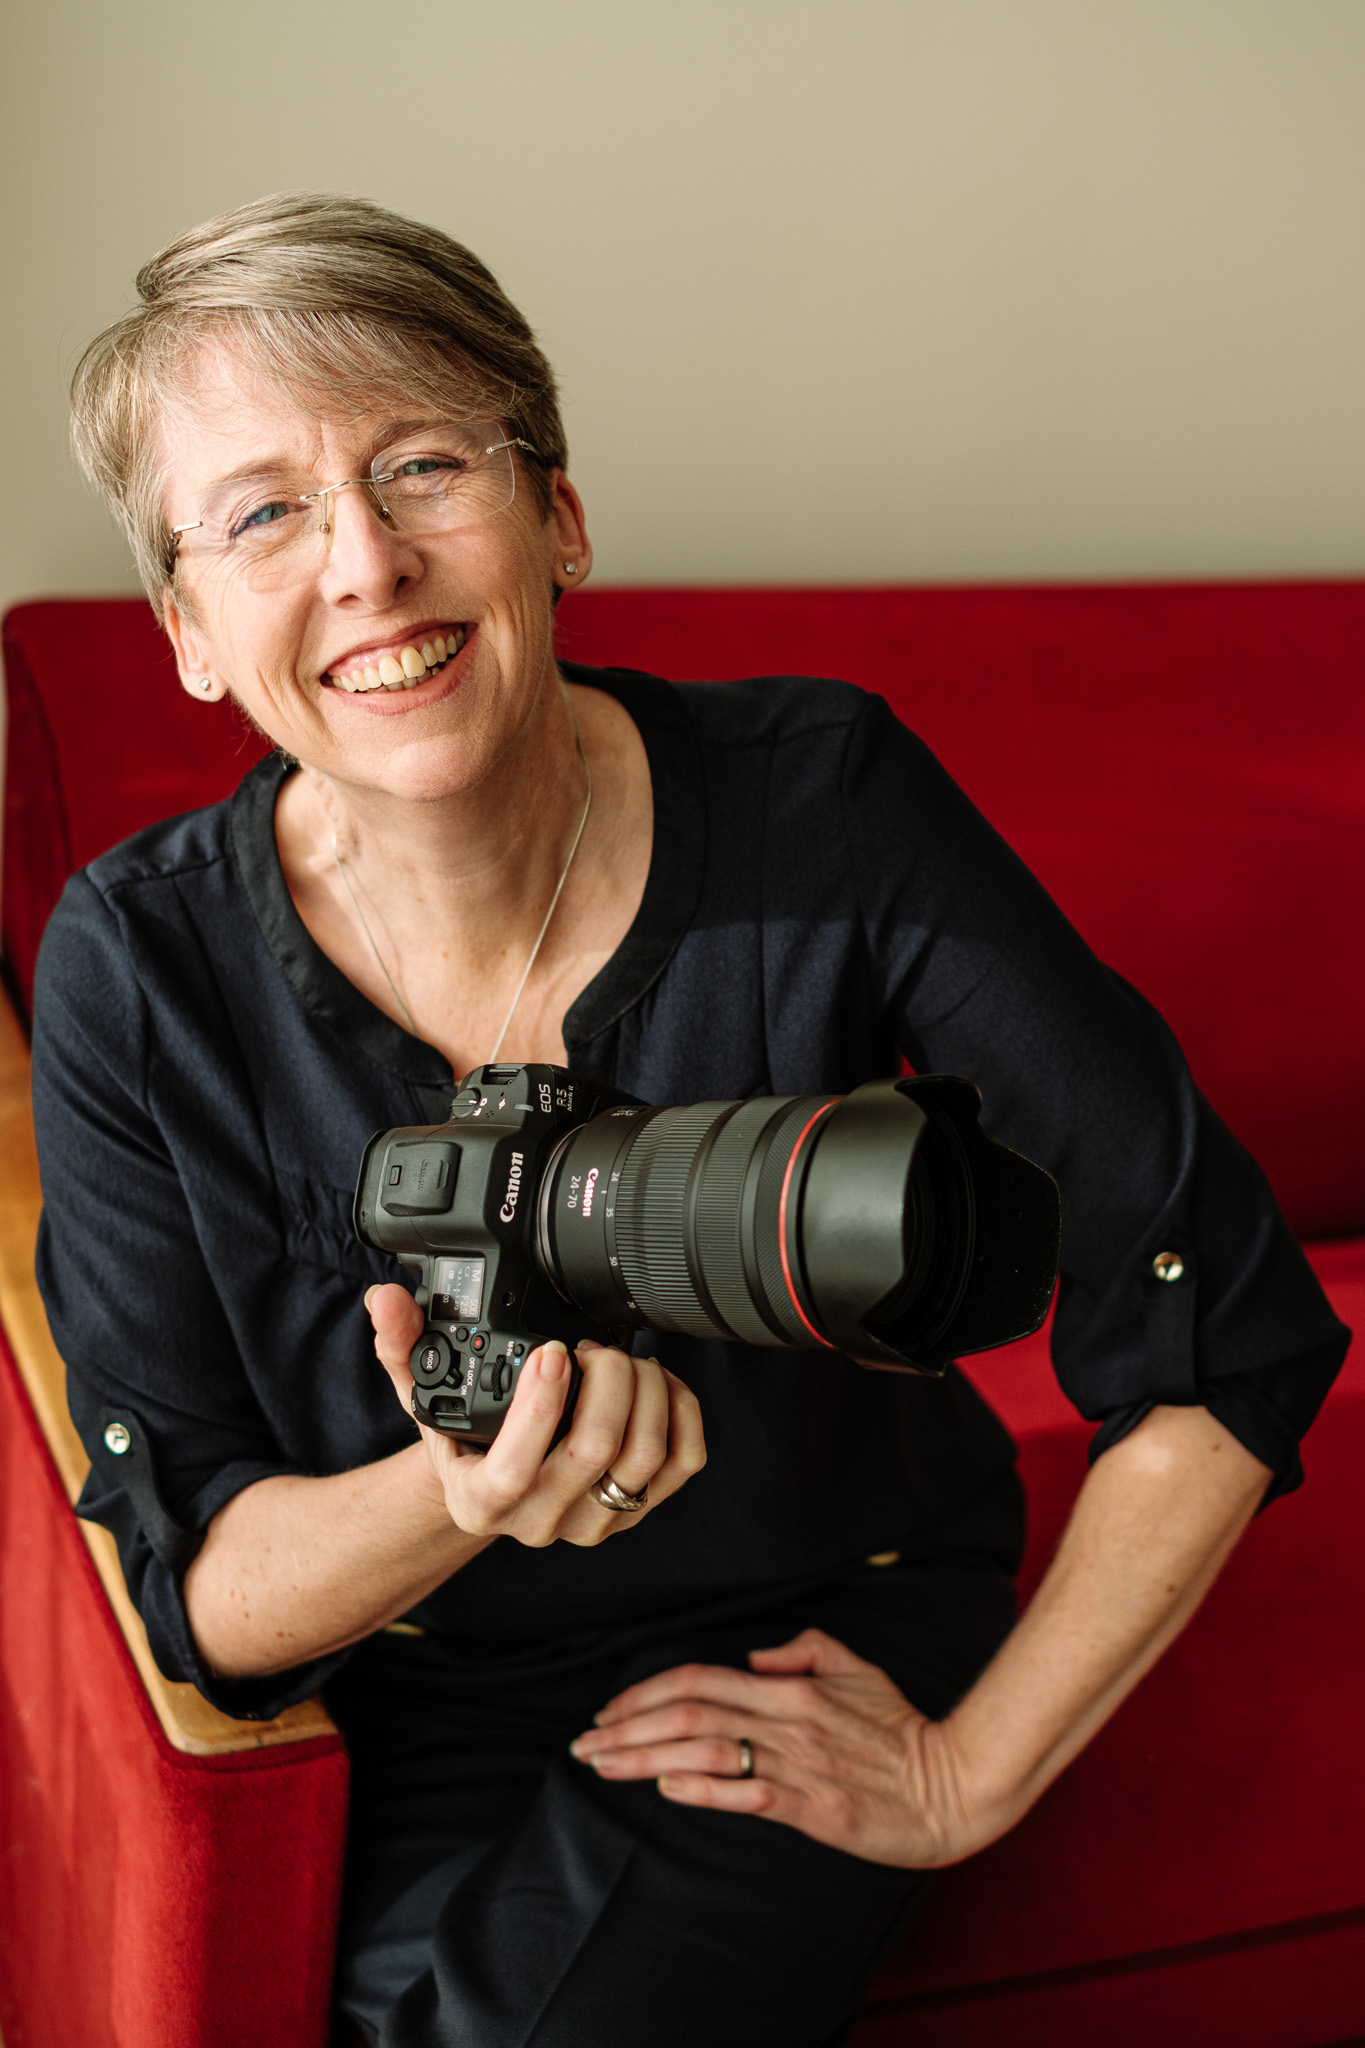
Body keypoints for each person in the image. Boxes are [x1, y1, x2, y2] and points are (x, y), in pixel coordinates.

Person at [34, 193, 1347, 2048]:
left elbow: (1218, 1306)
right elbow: (207, 1592)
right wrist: (463, 1489)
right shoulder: (139, 963)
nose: (365, 565)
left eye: (423, 465)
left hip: (824, 1606)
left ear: (556, 513)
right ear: (184, 627)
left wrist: (970, 1776)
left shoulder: (825, 801)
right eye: (261, 513)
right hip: (426, 1668)